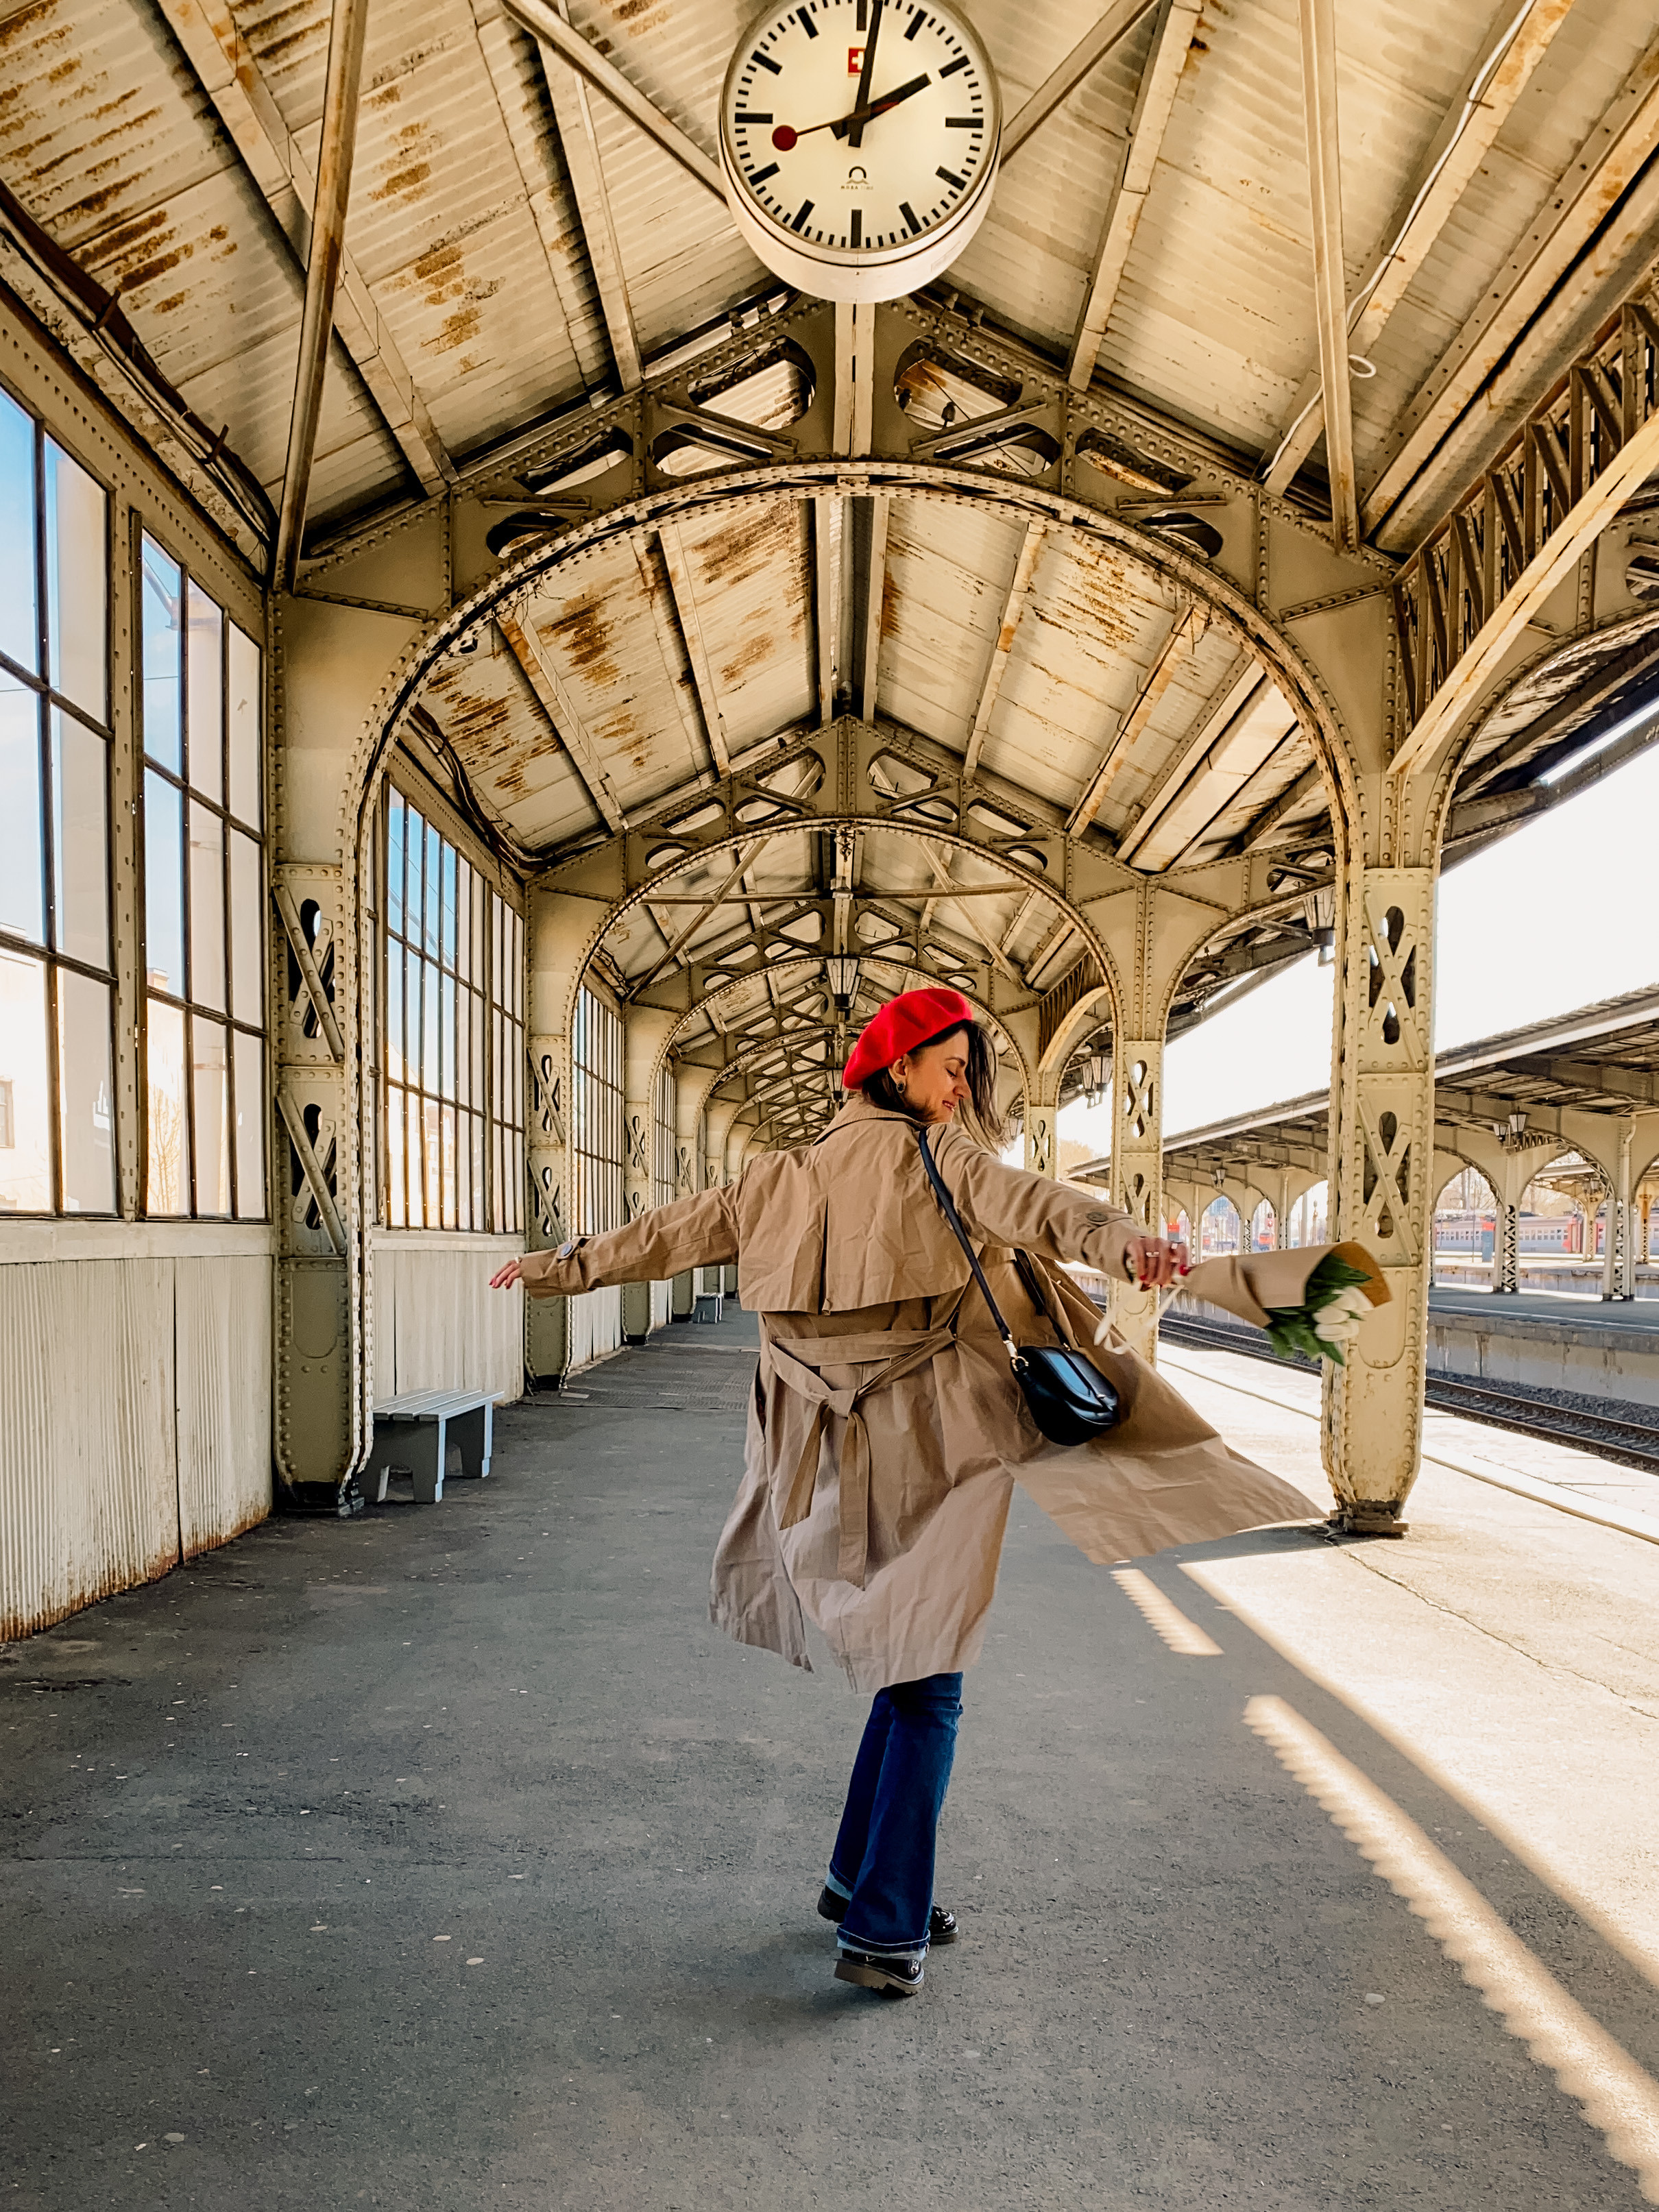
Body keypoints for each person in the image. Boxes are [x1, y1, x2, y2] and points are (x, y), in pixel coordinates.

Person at [491, 988, 1311, 1997]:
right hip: (934, 1447)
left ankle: (857, 1882)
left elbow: (663, 1235)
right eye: (948, 1065)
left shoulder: (775, 1178)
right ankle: (882, 1928)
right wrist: (1125, 1241)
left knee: (912, 1669)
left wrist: (554, 1269)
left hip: (822, 1455)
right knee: (935, 1683)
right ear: (895, 1067)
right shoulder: (945, 1161)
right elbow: (1042, 1210)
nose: (962, 1086)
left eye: (970, 1069)